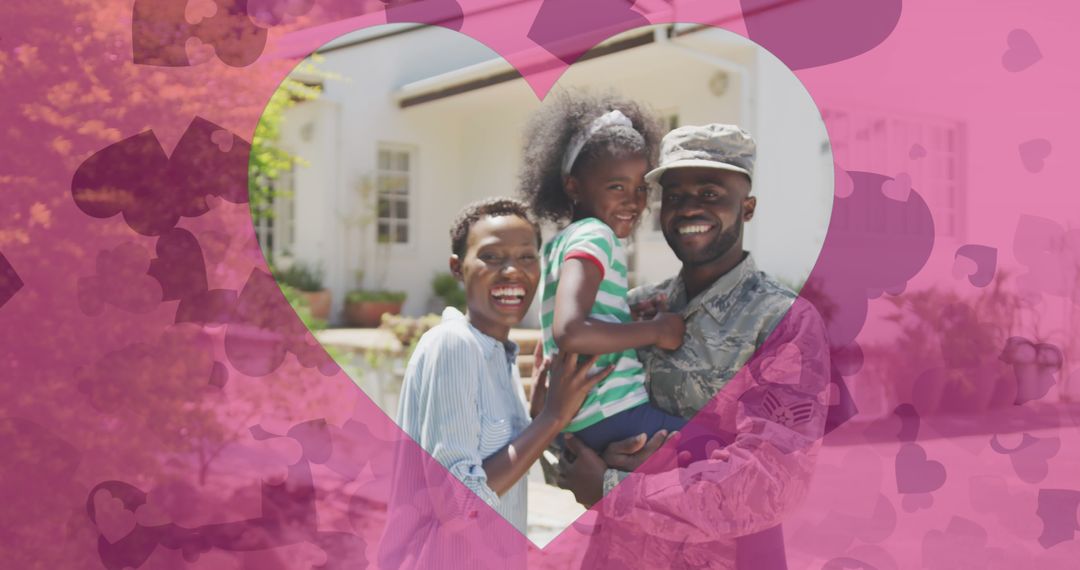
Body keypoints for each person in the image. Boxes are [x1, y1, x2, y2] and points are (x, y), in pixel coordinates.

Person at [556, 124, 832, 569]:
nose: (689, 209)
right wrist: (582, 452)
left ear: (747, 208)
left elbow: (770, 482)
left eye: (710, 193)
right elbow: (567, 436)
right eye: (676, 195)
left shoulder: (784, 323)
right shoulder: (633, 311)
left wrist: (613, 487)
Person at [378, 198, 612, 568]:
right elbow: (459, 506)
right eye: (491, 256)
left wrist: (539, 420)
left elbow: (506, 479)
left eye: (525, 257)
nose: (511, 271)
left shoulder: (499, 357)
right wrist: (551, 418)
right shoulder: (454, 345)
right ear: (458, 267)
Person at [519, 90, 688, 453]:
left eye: (641, 188)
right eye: (616, 186)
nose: (633, 200)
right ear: (573, 186)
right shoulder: (597, 235)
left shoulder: (560, 242)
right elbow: (571, 330)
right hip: (612, 411)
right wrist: (655, 331)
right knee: (728, 445)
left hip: (585, 419)